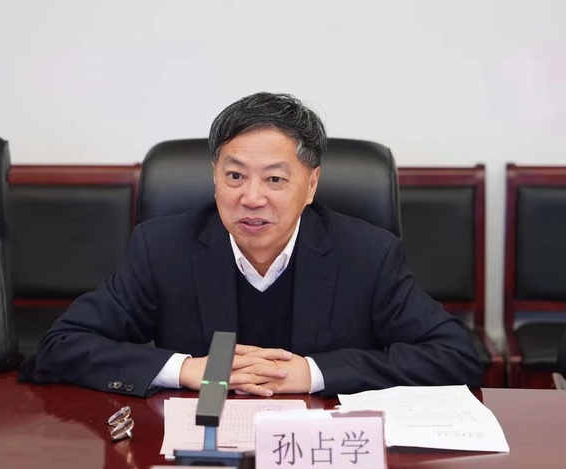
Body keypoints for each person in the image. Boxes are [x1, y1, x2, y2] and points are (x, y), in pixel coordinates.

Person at [34, 92, 483, 397]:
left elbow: (456, 356)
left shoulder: (367, 254)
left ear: (311, 185)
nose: (251, 198)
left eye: (275, 179)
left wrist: (314, 374)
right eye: (235, 176)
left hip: (318, 445)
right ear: (214, 177)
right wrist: (188, 369)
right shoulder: (163, 247)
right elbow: (61, 345)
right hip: (204, 444)